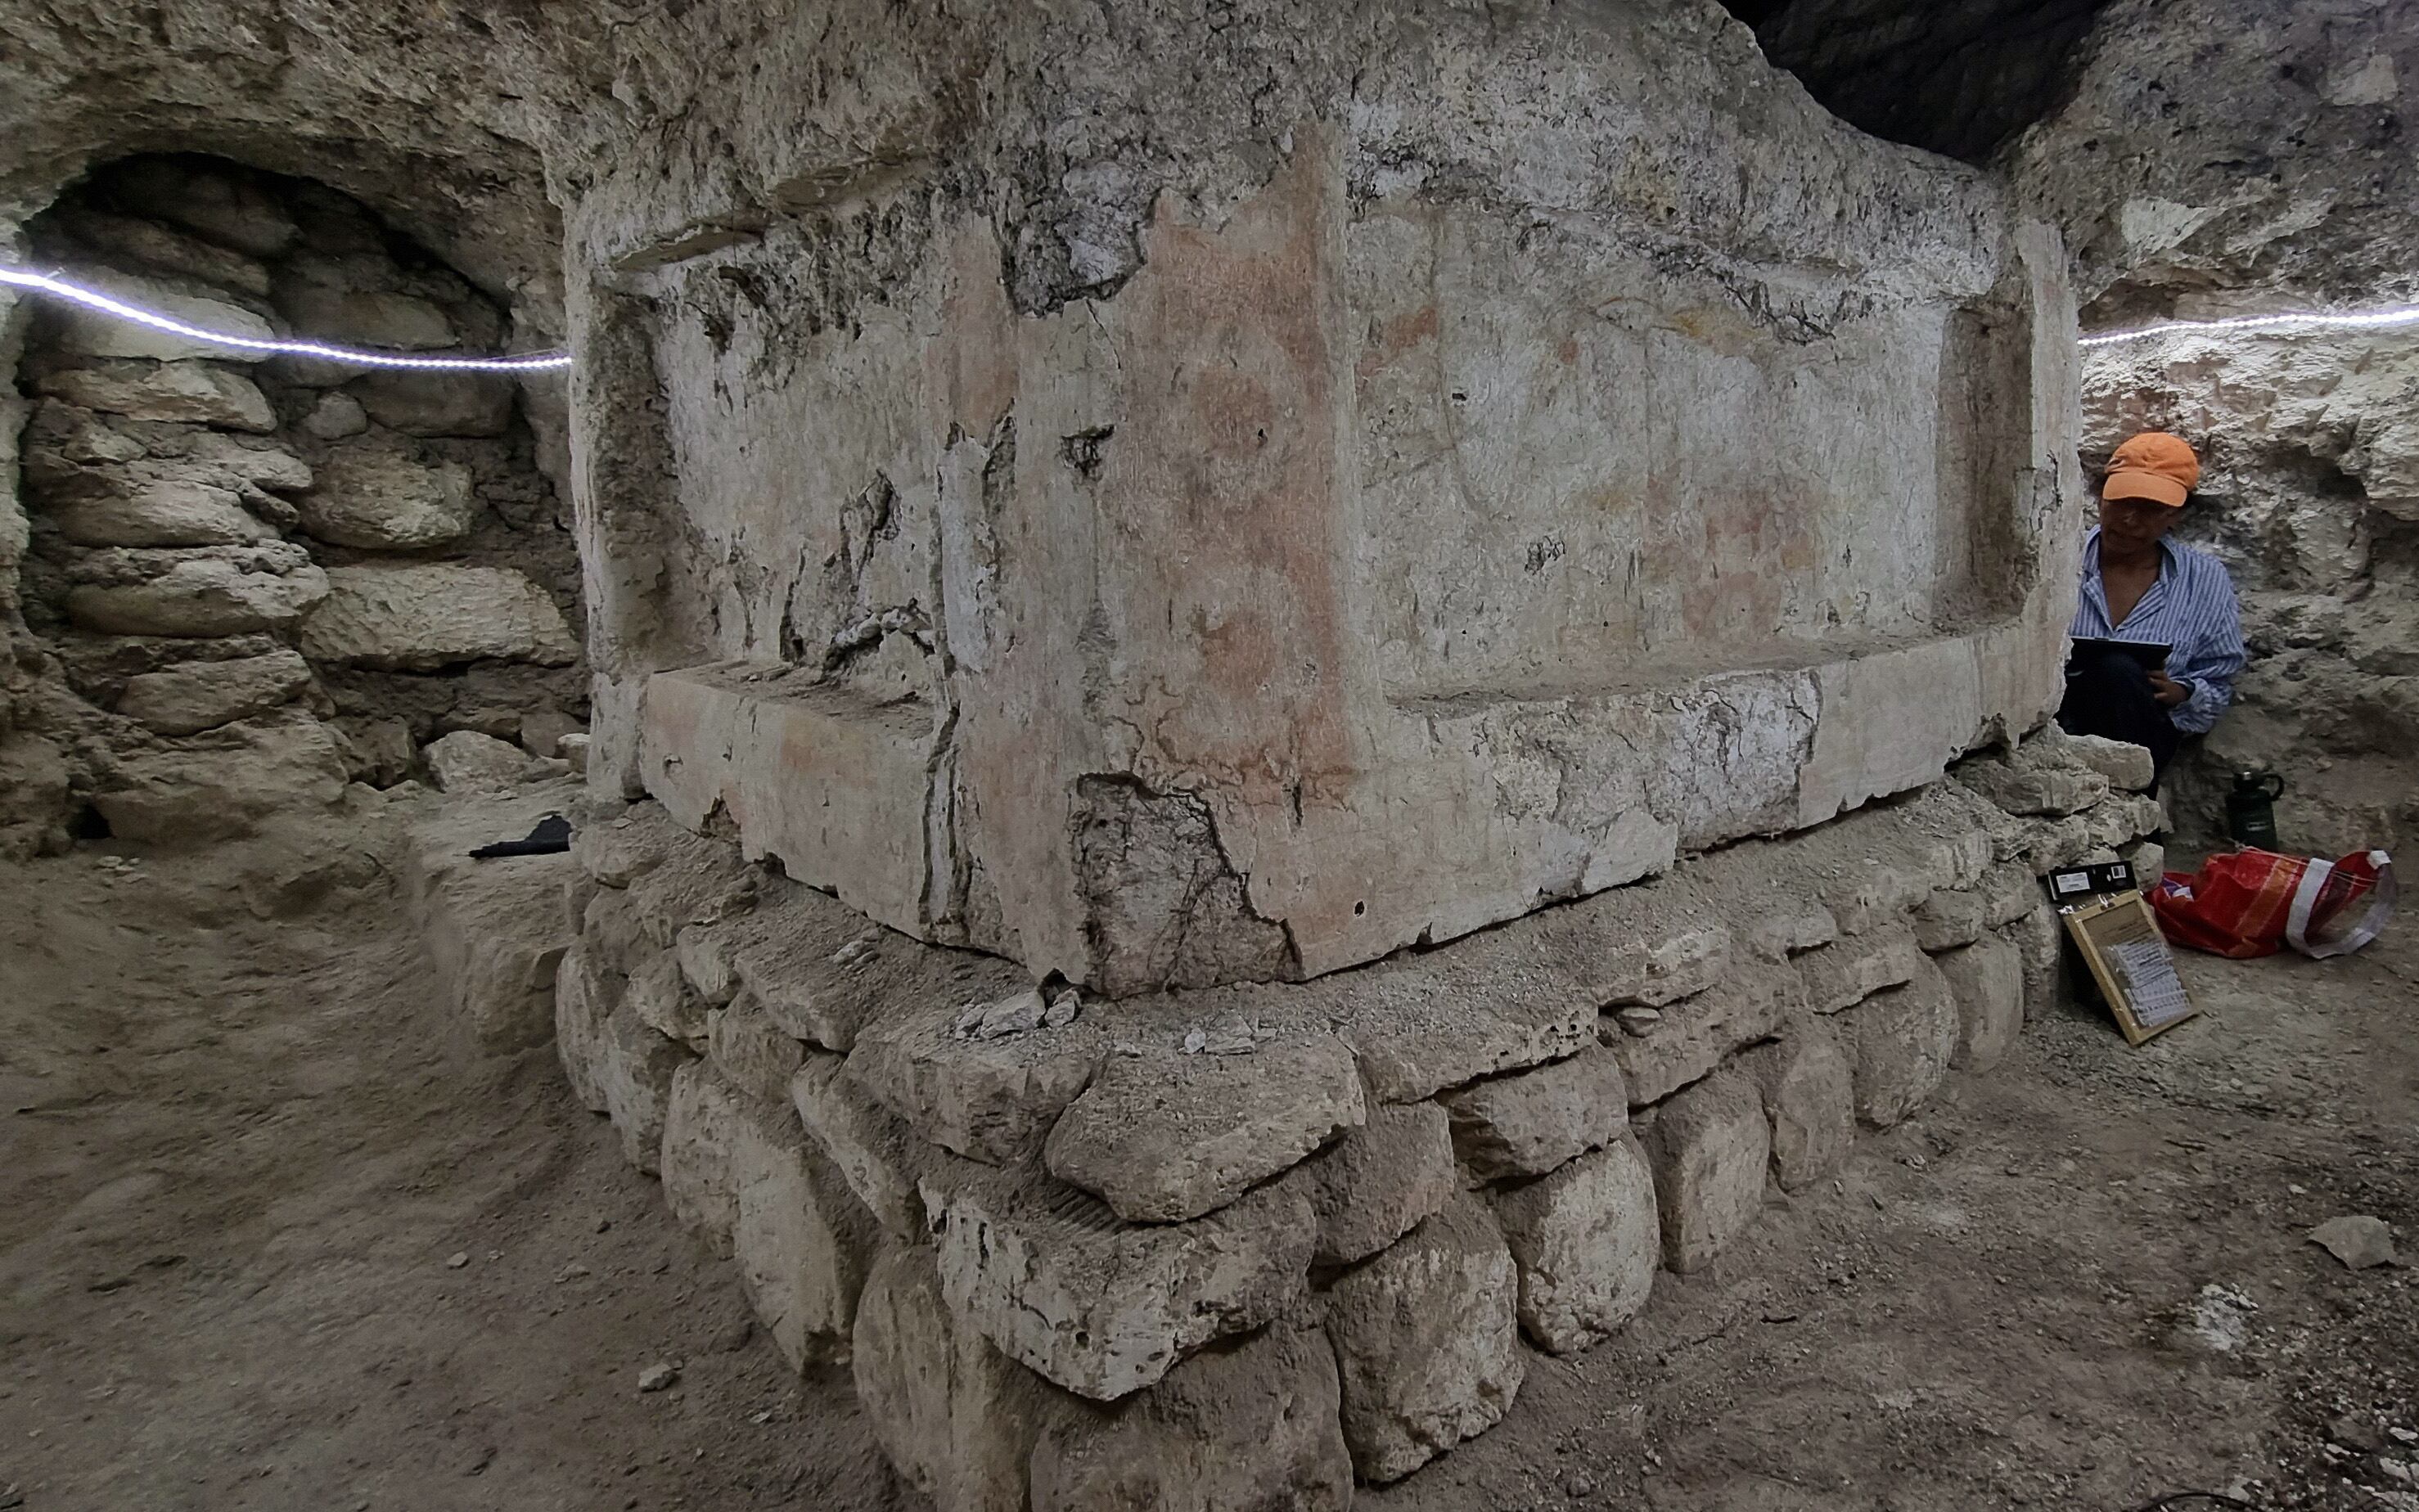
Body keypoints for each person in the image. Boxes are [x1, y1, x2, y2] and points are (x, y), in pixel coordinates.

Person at [2061, 431, 2246, 785]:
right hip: (2059, 724)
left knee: (2119, 674)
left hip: (2143, 734)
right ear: (2101, 496)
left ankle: (2126, 806)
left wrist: (2181, 692)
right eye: (2120, 502)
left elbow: (2218, 679)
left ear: (2176, 515)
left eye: (2149, 509)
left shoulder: (2202, 579)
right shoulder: (2057, 561)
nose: (2130, 520)